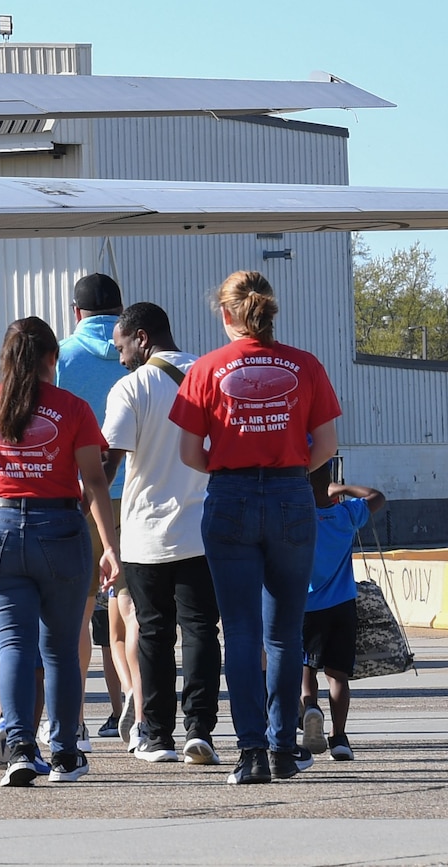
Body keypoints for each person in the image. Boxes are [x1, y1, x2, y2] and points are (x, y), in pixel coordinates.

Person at [170, 270, 341, 787]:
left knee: (240, 631)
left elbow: (186, 452)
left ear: (226, 314)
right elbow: (327, 445)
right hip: (291, 494)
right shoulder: (305, 365)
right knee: (285, 633)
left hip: (230, 498)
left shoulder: (206, 369)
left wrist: (230, 463)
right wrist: (286, 466)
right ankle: (284, 747)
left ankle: (251, 753)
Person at [0, 317, 120, 787]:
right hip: (61, 527)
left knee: (15, 644)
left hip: (1, 524)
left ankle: (20, 744)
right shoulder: (73, 407)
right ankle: (65, 752)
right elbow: (96, 479)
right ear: (52, 358)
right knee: (62, 647)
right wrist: (107, 544)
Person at [104, 302, 219, 766]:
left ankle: (156, 736)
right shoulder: (212, 376)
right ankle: (201, 730)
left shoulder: (131, 387)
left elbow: (108, 461)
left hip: (145, 531)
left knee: (153, 632)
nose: (120, 357)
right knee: (201, 631)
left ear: (143, 338)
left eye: (122, 346)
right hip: (204, 529)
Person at [57, 272, 139, 746]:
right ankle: (129, 698)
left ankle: (78, 716)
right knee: (127, 603)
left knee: (79, 606)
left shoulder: (64, 357)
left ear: (76, 312)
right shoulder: (140, 357)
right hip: (139, 492)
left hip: (82, 491)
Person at [299, 465, 382, 763]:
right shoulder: (346, 515)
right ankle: (340, 738)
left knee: (306, 671)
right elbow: (377, 496)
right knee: (338, 676)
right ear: (329, 487)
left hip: (307, 608)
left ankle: (310, 708)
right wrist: (343, 490)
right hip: (343, 607)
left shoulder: (301, 520)